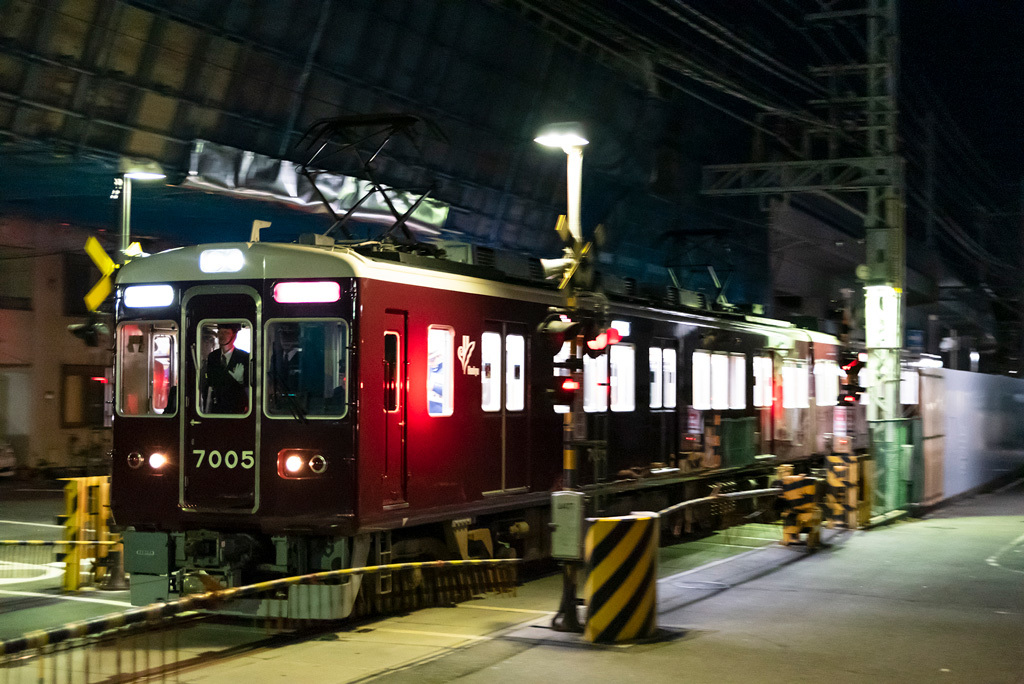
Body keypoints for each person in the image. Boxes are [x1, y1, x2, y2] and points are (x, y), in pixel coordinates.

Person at [204, 323, 249, 414]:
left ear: (234, 336)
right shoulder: (213, 357)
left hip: (236, 409)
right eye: (220, 332)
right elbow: (210, 383)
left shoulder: (244, 357)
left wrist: (240, 381)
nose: (221, 335)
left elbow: (249, 386)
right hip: (217, 409)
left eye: (226, 332)